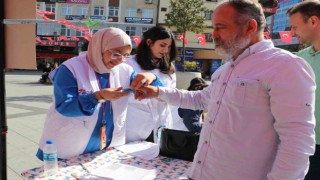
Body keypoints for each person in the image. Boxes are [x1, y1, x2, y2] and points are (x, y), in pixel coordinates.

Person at [132, 0, 316, 179]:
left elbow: (297, 140)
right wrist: (158, 92)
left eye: (220, 27)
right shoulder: (227, 68)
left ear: (250, 27)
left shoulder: (285, 66)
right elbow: (200, 99)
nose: (214, 34)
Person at [36, 27, 163, 160]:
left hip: (107, 144)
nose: (120, 60)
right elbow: (65, 106)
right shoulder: (70, 69)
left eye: (125, 55)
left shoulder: (125, 70)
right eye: (116, 53)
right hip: (70, 142)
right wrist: (98, 97)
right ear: (100, 47)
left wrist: (153, 78)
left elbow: (157, 91)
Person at [124, 26, 178, 143]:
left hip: (161, 122)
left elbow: (171, 95)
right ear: (149, 42)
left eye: (168, 47)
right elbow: (125, 93)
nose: (165, 50)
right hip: (135, 123)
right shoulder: (129, 63)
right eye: (162, 45)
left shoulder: (169, 68)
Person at [287, 1, 320, 179]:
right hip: (303, 144)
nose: (292, 33)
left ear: (313, 21)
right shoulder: (299, 59)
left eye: (294, 27)